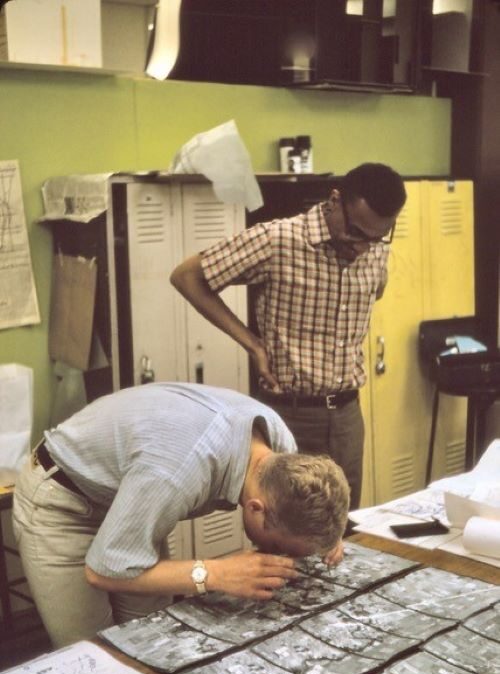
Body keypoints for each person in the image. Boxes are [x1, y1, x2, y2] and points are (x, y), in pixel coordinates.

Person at [12, 382, 350, 648]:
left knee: (152, 640)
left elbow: (313, 496)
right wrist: (216, 573)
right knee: (96, 660)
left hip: (133, 497)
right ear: (256, 509)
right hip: (63, 502)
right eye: (283, 548)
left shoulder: (278, 444)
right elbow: (102, 571)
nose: (284, 558)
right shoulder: (179, 470)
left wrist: (326, 537)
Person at [170, 163, 407, 510]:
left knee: (344, 533)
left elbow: (374, 293)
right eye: (356, 233)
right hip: (289, 415)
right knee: (286, 531)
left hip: (347, 416)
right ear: (335, 200)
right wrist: (252, 343)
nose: (362, 248)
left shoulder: (374, 251)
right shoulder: (279, 239)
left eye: (376, 238)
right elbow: (187, 276)